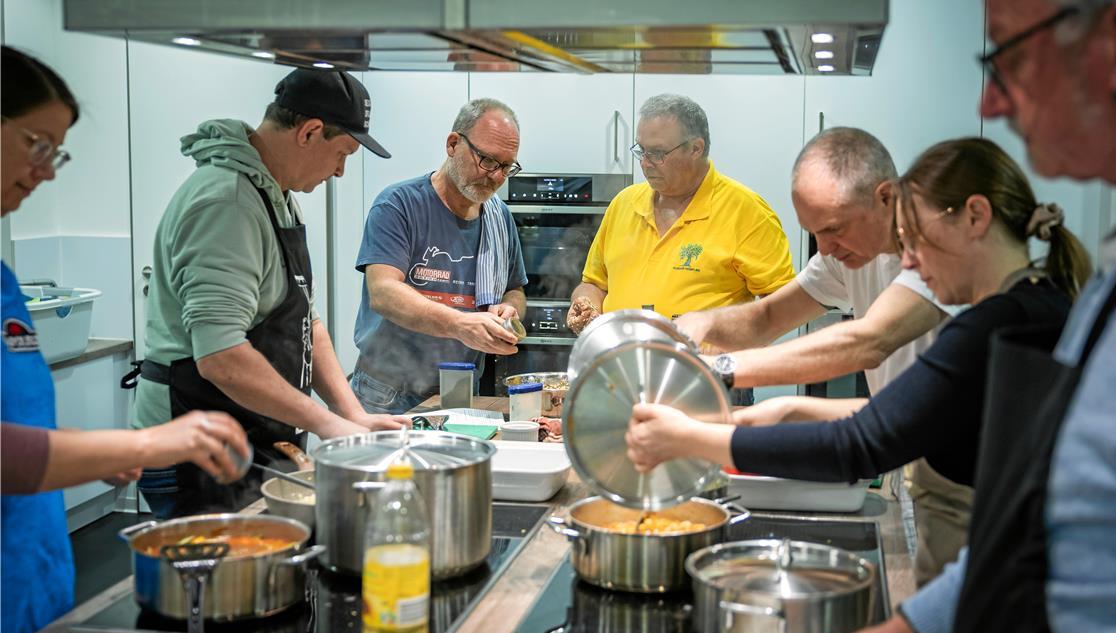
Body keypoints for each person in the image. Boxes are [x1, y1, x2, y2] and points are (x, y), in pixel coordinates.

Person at [779, 0, 1116, 633]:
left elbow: (869, 421)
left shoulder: (1014, 315)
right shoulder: (1113, 280)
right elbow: (1037, 521)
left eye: (1012, 56)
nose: (991, 104)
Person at [0, 46, 250, 633]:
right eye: (37, 144)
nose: (48, 170)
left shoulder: (4, 283)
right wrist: (143, 441)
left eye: (55, 152)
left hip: (27, 589)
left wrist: (92, 454)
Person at [676, 126, 967, 587]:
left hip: (962, 477)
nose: (824, 248)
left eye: (833, 229)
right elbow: (769, 315)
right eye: (814, 233)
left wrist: (721, 369)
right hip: (905, 457)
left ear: (886, 196)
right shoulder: (843, 253)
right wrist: (701, 325)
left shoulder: (936, 249)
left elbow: (868, 341)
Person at [131, 68, 407, 519]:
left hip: (248, 434)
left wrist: (350, 413)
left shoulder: (273, 193)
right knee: (223, 586)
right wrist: (325, 423)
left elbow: (304, 320)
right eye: (342, 154)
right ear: (310, 132)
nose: (339, 171)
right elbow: (221, 356)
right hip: (197, 451)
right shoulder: (226, 204)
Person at [566, 93, 795, 403]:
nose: (646, 163)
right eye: (641, 150)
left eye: (658, 153)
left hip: (707, 380)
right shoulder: (623, 204)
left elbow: (783, 307)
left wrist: (723, 345)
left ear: (696, 148)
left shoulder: (746, 211)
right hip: (620, 377)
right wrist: (586, 304)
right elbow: (593, 282)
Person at [351, 98, 527, 414]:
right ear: (452, 144)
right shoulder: (399, 205)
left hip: (459, 391)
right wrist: (460, 323)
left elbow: (515, 288)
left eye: (506, 166)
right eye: (487, 160)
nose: (496, 177)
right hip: (385, 393)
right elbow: (384, 293)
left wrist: (509, 310)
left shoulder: (499, 218)